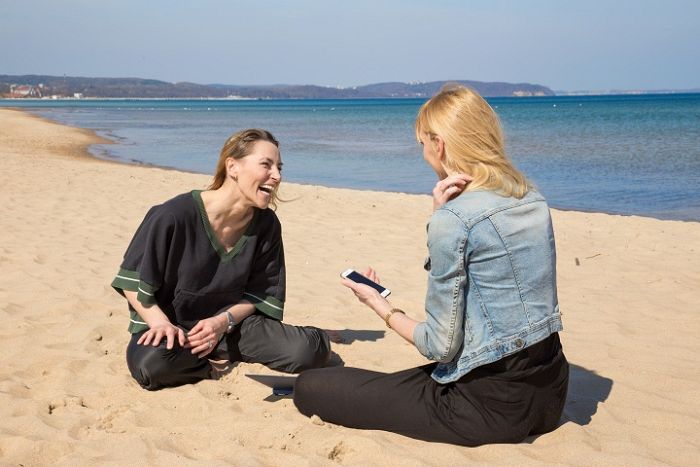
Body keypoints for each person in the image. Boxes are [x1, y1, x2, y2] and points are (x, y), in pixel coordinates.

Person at [293, 86, 569, 446]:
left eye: (422, 144)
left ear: (439, 144)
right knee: (395, 384)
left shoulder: (455, 220)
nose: (423, 153)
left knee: (309, 387)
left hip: (487, 406)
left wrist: (381, 306)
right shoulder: (531, 197)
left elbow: (439, 346)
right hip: (551, 393)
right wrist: (441, 214)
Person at [112, 128, 331, 390]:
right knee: (151, 367)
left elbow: (259, 294)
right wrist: (160, 323)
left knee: (308, 352)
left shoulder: (267, 225)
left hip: (233, 326)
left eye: (279, 167)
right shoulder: (173, 215)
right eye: (266, 165)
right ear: (233, 167)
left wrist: (221, 322)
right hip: (172, 325)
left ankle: (220, 349)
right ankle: (209, 359)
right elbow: (131, 282)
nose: (277, 176)